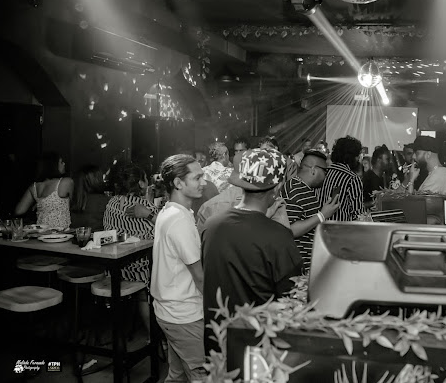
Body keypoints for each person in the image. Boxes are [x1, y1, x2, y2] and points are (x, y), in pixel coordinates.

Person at [201, 148, 303, 354]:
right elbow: (290, 298)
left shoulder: (211, 225)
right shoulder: (279, 236)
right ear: (278, 187)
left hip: (217, 341)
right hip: (257, 346)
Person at [151, 154, 207, 382]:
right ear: (178, 183)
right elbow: (200, 277)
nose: (203, 182)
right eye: (197, 178)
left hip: (170, 311)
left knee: (177, 376)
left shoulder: (171, 211)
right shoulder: (179, 220)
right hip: (183, 315)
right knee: (201, 375)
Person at [104, 162, 158, 335]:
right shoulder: (145, 207)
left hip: (115, 269)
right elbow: (163, 232)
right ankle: (156, 338)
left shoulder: (111, 203)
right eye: (146, 179)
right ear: (141, 183)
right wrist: (150, 211)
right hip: (141, 269)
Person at [196, 146, 290, 232]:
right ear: (278, 186)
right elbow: (283, 240)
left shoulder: (209, 208)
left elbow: (201, 243)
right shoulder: (274, 205)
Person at [281, 150, 340, 268]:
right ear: (313, 170)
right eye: (325, 171)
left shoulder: (304, 189)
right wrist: (322, 215)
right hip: (298, 267)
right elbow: (290, 229)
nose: (326, 176)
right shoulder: (294, 190)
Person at [15, 152, 73, 229]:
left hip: (41, 232)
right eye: (61, 162)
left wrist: (40, 204)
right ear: (53, 165)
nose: (64, 164)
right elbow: (74, 205)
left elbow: (19, 211)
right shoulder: (66, 182)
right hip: (60, 232)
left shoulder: (34, 186)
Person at [318, 136, 365, 221]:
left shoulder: (322, 173)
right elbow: (358, 215)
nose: (359, 159)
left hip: (318, 227)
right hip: (341, 228)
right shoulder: (352, 179)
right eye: (358, 156)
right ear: (352, 157)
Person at [71, 165, 108, 230]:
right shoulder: (102, 200)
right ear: (97, 179)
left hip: (77, 234)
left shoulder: (74, 200)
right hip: (98, 235)